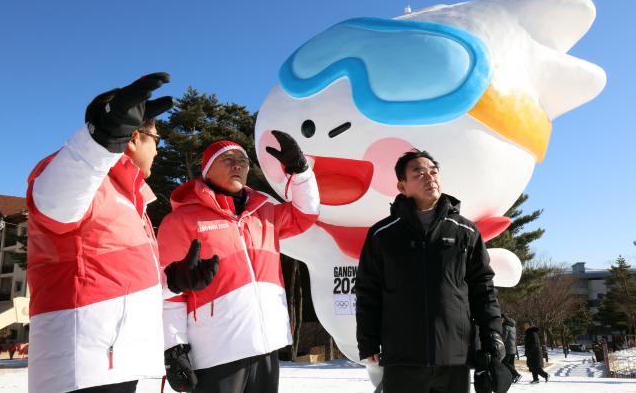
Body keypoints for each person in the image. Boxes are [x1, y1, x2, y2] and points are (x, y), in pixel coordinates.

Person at [26, 73, 218, 393]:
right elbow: (55, 203)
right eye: (156, 140)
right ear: (132, 137)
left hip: (115, 364)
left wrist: (173, 282)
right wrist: (101, 138)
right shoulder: (78, 176)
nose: (158, 150)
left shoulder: (130, 200)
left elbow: (118, 280)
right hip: (81, 369)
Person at [158, 132, 320, 393]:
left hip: (267, 345)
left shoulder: (264, 209)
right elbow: (169, 294)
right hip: (215, 352)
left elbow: (306, 213)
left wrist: (299, 171)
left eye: (243, 161)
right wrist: (173, 348)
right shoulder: (181, 220)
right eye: (228, 159)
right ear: (207, 170)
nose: (238, 165)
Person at [355, 149, 507, 393]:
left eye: (434, 172)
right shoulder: (382, 234)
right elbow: (367, 290)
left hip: (453, 358)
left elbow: (483, 287)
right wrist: (368, 340)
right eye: (419, 173)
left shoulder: (465, 232)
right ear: (402, 186)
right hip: (401, 356)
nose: (430, 177)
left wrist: (492, 334)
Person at [501, 314, 521, 383]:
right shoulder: (513, 327)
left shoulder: (505, 326)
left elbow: (504, 338)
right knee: (511, 364)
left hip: (508, 348)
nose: (500, 321)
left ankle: (516, 374)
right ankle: (513, 377)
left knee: (504, 362)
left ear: (504, 319)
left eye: (501, 319)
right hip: (513, 348)